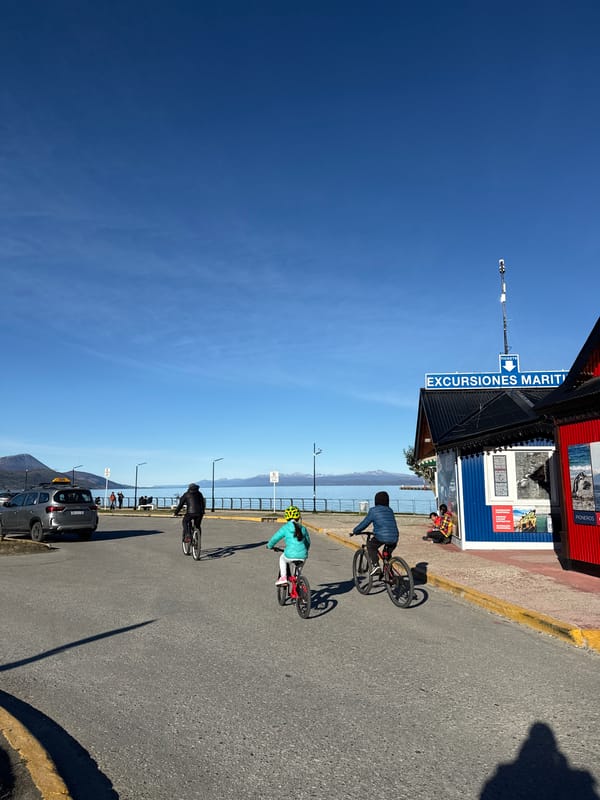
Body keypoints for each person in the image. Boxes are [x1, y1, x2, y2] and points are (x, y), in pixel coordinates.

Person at [352, 491, 399, 576]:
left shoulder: (373, 510)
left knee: (371, 545)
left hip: (381, 536)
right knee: (387, 555)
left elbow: (364, 523)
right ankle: (390, 574)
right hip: (394, 536)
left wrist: (355, 531)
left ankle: (376, 565)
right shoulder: (390, 510)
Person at [266, 505, 311, 586]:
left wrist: (269, 545)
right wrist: (305, 550)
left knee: (282, 559)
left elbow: (275, 538)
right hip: (303, 555)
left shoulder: (286, 527)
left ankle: (283, 578)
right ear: (298, 517)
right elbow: (308, 542)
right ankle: (298, 579)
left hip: (289, 555)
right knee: (298, 570)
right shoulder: (303, 528)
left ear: (286, 517)